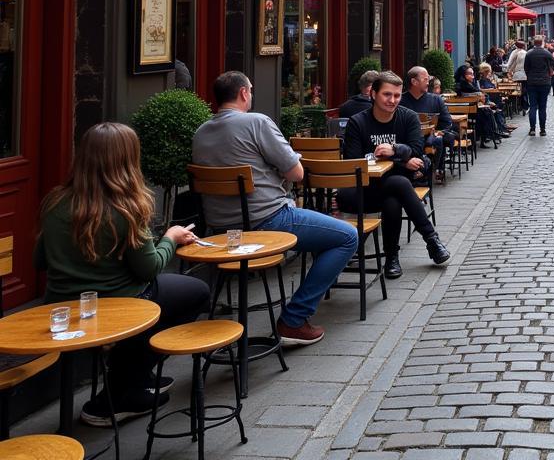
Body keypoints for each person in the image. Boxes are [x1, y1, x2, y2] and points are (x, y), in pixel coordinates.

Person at [34, 122, 209, 426]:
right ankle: (122, 389)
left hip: (61, 307)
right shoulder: (126, 207)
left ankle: (133, 374)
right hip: (118, 304)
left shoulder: (55, 202)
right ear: (128, 160)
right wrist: (170, 238)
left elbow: (40, 260)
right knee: (196, 292)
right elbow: (149, 268)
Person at [191, 71, 359, 346]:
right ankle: (294, 319)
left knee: (324, 235)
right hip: (267, 220)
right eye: (251, 91)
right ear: (244, 93)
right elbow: (297, 173)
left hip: (220, 230)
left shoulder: (201, 132)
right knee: (346, 237)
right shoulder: (256, 122)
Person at [343, 72, 451, 279]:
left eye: (396, 95)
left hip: (392, 187)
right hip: (361, 190)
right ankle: (429, 241)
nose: (392, 100)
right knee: (399, 184)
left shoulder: (408, 117)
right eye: (386, 95)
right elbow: (354, 161)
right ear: (373, 94)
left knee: (393, 198)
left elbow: (418, 151)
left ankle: (393, 259)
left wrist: (394, 149)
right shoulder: (358, 122)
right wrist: (402, 158)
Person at [400, 65, 456, 158]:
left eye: (428, 79)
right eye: (425, 79)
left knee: (438, 140)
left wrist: (439, 132)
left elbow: (447, 122)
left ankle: (435, 170)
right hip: (408, 139)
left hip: (430, 138)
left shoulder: (436, 100)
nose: (428, 83)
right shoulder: (400, 101)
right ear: (414, 82)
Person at [455, 65, 503, 146]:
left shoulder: (469, 84)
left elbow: (480, 94)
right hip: (468, 111)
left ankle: (490, 134)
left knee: (487, 111)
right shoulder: (463, 85)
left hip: (472, 109)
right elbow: (477, 95)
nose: (473, 76)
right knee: (486, 113)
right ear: (464, 74)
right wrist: (482, 98)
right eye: (470, 74)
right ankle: (488, 135)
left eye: (473, 74)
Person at [523, 35, 554, 136]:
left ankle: (532, 129)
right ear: (542, 43)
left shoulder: (529, 54)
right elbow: (553, 65)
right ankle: (543, 129)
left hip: (532, 83)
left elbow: (526, 68)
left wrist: (530, 76)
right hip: (544, 83)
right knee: (542, 107)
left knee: (532, 106)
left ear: (534, 43)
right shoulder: (547, 53)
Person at [506, 39, 528, 113]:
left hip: (517, 74)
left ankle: (517, 106)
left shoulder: (514, 52)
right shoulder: (525, 53)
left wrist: (508, 71)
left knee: (516, 90)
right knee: (524, 90)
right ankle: (525, 106)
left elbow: (509, 64)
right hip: (525, 75)